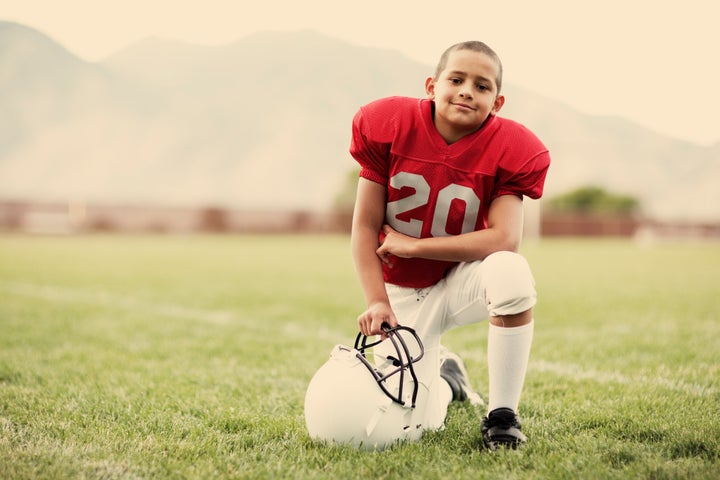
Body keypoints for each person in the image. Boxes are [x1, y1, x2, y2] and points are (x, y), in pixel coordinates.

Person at [349, 40, 550, 450]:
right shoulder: (389, 124)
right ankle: (446, 378)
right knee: (408, 422)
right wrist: (376, 300)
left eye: (482, 86)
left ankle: (502, 417)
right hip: (402, 292)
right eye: (456, 80)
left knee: (512, 272)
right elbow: (365, 228)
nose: (466, 91)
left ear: (497, 102)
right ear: (431, 85)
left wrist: (414, 247)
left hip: (459, 279)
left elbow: (505, 239)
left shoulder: (511, 147)